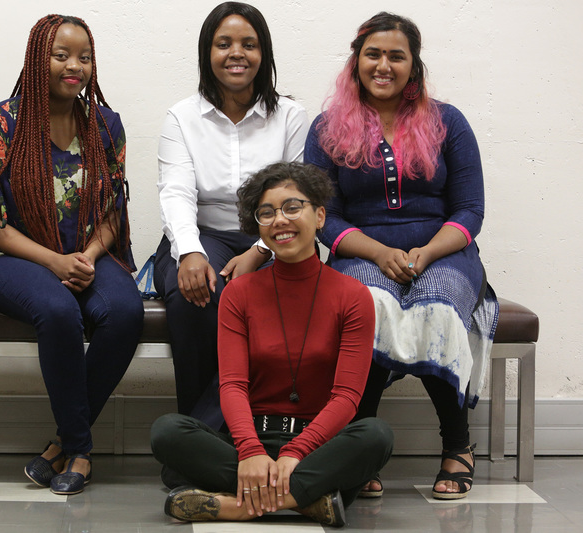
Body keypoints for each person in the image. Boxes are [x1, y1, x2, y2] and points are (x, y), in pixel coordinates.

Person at [305, 12, 499, 500]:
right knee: (366, 306)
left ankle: (458, 445)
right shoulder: (328, 127)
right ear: (356, 61)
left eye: (396, 55)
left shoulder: (448, 121)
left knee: (437, 307)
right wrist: (379, 251)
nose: (384, 65)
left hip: (444, 252)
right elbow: (321, 215)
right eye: (373, 54)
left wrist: (429, 251)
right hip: (363, 250)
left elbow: (470, 208)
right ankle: (361, 448)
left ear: (414, 65)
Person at [151, 162, 393, 527]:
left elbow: (346, 397)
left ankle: (239, 506)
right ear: (258, 226)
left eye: (292, 207)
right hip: (246, 442)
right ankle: (305, 501)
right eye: (267, 213)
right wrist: (249, 451)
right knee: (167, 431)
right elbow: (232, 385)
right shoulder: (239, 293)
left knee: (376, 435)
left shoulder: (354, 296)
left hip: (316, 445)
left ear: (320, 215)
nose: (280, 220)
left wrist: (295, 452)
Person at [0, 14, 143, 496]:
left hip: (86, 253)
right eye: (61, 55)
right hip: (11, 257)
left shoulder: (105, 125)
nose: (75, 66)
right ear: (36, 58)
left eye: (84, 57)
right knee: (57, 309)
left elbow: (114, 213)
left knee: (126, 311)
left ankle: (61, 446)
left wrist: (85, 255)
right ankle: (81, 451)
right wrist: (54, 261)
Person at [154, 2, 309, 426]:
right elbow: (177, 192)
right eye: (224, 44)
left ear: (264, 54)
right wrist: (189, 252)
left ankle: (198, 435)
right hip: (203, 234)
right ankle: (200, 425)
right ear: (208, 52)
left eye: (248, 44)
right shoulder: (182, 117)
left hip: (277, 238)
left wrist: (260, 250)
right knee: (196, 299)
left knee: (264, 309)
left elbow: (296, 199)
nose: (236, 53)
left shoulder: (291, 117)